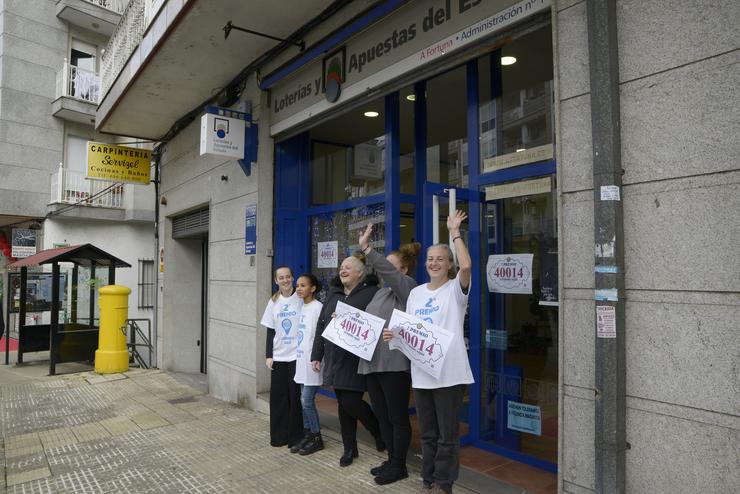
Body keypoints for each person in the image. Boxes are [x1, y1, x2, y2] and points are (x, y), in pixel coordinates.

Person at [385, 210, 474, 494]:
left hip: (449, 374)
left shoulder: (455, 291)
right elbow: (410, 330)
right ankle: (428, 480)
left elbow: (468, 267)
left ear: (449, 265)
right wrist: (394, 334)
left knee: (448, 435)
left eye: (441, 259)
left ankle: (444, 484)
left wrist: (455, 233)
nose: (434, 263)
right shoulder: (416, 293)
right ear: (425, 264)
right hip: (422, 374)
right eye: (430, 259)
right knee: (429, 434)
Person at [357, 223, 419, 485]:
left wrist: (368, 249)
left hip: (394, 365)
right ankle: (392, 459)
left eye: (389, 266)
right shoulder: (382, 293)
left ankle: (399, 465)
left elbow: (387, 272)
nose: (383, 271)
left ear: (402, 270)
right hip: (372, 363)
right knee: (382, 416)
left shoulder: (408, 288)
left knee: (396, 417)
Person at [310, 255, 384, 467]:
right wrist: (317, 355)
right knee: (343, 405)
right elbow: (321, 326)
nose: (343, 270)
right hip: (335, 358)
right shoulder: (334, 295)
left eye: (348, 268)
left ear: (360, 273)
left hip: (356, 359)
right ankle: (349, 448)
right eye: (341, 267)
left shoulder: (372, 294)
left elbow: (377, 324)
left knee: (350, 402)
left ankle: (377, 431)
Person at [260, 266, 303, 448]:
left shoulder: (301, 298)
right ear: (276, 281)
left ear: (292, 278)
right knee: (278, 398)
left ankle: (295, 438)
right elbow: (270, 330)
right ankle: (278, 437)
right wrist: (269, 355)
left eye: (288, 277)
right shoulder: (273, 301)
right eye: (281, 278)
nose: (285, 280)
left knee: (294, 398)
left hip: (296, 356)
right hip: (278, 356)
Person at [290, 273, 324, 455]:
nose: (299, 288)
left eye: (303, 285)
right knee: (303, 400)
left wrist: (318, 358)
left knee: (307, 400)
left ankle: (317, 436)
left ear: (313, 288)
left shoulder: (318, 307)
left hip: (312, 362)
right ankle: (307, 434)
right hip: (300, 360)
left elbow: (319, 336)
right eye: (298, 286)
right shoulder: (301, 307)